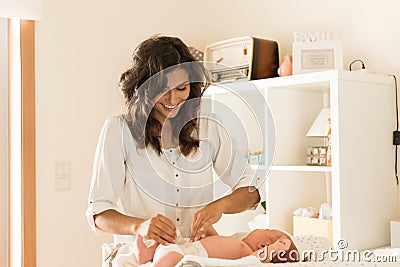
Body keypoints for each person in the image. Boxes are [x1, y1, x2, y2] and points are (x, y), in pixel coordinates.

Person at [86, 35, 261, 247]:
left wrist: (219, 206)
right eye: (163, 89)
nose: (173, 100)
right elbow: (98, 213)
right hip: (139, 256)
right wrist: (139, 226)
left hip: (193, 254)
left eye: (181, 88)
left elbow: (251, 191)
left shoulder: (208, 126)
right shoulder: (119, 130)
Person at [133, 227, 299, 266]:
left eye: (265, 230)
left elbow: (257, 259)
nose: (259, 228)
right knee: (169, 237)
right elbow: (217, 243)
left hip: (186, 256)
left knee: (171, 258)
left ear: (263, 245)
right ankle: (148, 254)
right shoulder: (236, 243)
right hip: (186, 246)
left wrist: (278, 247)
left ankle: (151, 259)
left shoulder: (248, 256)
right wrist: (211, 231)